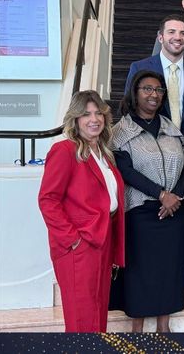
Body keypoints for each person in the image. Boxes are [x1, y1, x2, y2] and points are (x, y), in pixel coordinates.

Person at [126, 14, 184, 307]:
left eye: (183, 33)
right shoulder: (140, 68)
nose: (178, 37)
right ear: (160, 37)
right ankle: (152, 283)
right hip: (147, 156)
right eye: (172, 32)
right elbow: (129, 112)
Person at [37, 90, 125, 333]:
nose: (94, 119)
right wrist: (73, 239)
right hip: (80, 244)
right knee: (82, 318)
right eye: (86, 114)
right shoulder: (64, 150)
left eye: (99, 113)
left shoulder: (103, 153)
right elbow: (48, 200)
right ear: (75, 119)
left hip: (103, 240)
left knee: (98, 311)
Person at [111, 71, 184, 332]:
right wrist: (161, 194)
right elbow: (125, 171)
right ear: (135, 93)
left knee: (168, 270)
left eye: (158, 90)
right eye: (147, 89)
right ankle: (137, 329)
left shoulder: (171, 128)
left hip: (174, 211)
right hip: (141, 212)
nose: (154, 95)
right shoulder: (120, 131)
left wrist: (174, 196)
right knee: (141, 271)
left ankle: (164, 327)